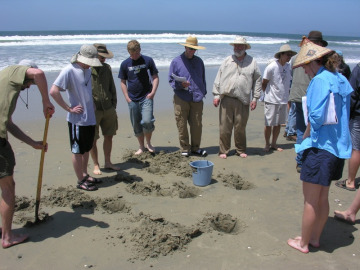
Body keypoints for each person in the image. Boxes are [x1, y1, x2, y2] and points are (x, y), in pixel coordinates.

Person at [287, 37, 353, 254]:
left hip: (320, 147)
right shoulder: (340, 78)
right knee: (322, 197)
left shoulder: (320, 81)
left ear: (312, 62)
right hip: (338, 148)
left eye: (305, 66)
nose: (305, 72)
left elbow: (314, 118)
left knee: (310, 200)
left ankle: (303, 243)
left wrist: (305, 139)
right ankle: (314, 238)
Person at [0, 60, 55, 248]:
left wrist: (32, 143)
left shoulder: (4, 81)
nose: (28, 86)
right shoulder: (17, 71)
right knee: (8, 187)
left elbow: (8, 124)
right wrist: (45, 101)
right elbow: (39, 74)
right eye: (29, 83)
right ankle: (7, 237)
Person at [50, 45, 102, 191]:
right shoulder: (69, 70)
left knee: (86, 148)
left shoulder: (88, 70)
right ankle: (80, 180)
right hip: (77, 120)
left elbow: (86, 90)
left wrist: (92, 104)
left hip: (89, 117)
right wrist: (69, 108)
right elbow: (53, 91)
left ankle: (85, 174)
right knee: (77, 150)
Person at [212, 36, 262, 158]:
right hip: (226, 98)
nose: (238, 48)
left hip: (243, 100)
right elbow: (218, 78)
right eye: (236, 45)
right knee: (225, 127)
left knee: (240, 127)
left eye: (240, 46)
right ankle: (224, 151)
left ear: (245, 47)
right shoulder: (227, 61)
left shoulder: (252, 62)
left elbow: (258, 80)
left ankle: (240, 149)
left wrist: (255, 98)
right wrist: (216, 95)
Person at [289, 31, 328, 173]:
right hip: (309, 98)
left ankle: (300, 160)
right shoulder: (316, 59)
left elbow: (291, 76)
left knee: (301, 129)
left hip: (297, 95)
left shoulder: (294, 58)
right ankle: (303, 159)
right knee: (308, 130)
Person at [169, 36, 207, 157]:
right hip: (181, 97)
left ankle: (196, 148)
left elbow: (202, 78)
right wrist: (181, 84)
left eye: (194, 49)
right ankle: (185, 148)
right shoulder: (176, 61)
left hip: (197, 98)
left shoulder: (199, 61)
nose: (192, 51)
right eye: (190, 48)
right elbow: (171, 80)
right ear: (185, 47)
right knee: (181, 123)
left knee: (197, 124)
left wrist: (203, 92)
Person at [119, 40, 159, 155]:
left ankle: (149, 143)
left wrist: (153, 93)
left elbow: (155, 77)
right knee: (136, 124)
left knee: (147, 121)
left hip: (146, 96)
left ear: (140, 50)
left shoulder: (148, 60)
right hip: (132, 98)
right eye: (132, 54)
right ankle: (141, 146)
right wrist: (127, 98)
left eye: (136, 53)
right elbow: (123, 82)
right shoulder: (125, 64)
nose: (134, 56)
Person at [89, 43, 120, 175]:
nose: (103, 59)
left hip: (108, 108)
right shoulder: (87, 69)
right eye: (101, 57)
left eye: (104, 57)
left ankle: (108, 162)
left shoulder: (107, 68)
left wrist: (113, 106)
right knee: (93, 139)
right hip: (93, 111)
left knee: (109, 136)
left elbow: (112, 88)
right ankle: (96, 164)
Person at [262, 44, 296, 152]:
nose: (289, 57)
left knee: (278, 124)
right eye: (287, 55)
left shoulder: (288, 67)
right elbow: (264, 82)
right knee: (269, 123)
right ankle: (267, 144)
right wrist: (266, 94)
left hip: (283, 100)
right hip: (271, 100)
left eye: (290, 55)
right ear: (281, 55)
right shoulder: (272, 66)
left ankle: (274, 143)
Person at [335, 62, 360, 191]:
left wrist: (347, 114)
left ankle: (350, 181)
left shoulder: (359, 69)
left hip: (358, 116)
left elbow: (353, 94)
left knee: (356, 149)